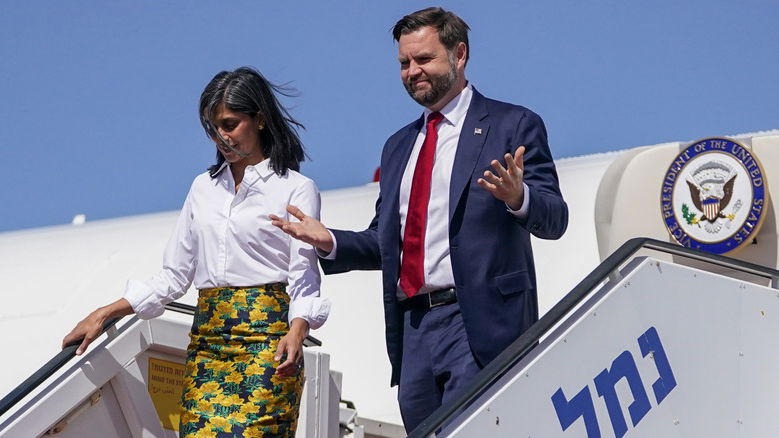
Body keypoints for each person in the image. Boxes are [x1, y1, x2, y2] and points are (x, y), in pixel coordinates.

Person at [271, 7, 568, 433]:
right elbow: (385, 243)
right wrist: (329, 241)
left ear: (459, 54)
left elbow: (555, 219)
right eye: (404, 63)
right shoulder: (398, 147)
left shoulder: (512, 124)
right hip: (413, 331)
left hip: (479, 324)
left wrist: (519, 198)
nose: (413, 71)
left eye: (424, 59)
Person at [62, 66, 329, 437]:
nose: (222, 136)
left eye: (231, 124)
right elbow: (174, 275)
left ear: (261, 119)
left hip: (267, 344)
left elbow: (304, 276)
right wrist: (105, 312)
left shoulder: (296, 188)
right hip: (207, 345)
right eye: (213, 127)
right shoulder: (202, 187)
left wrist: (296, 333)